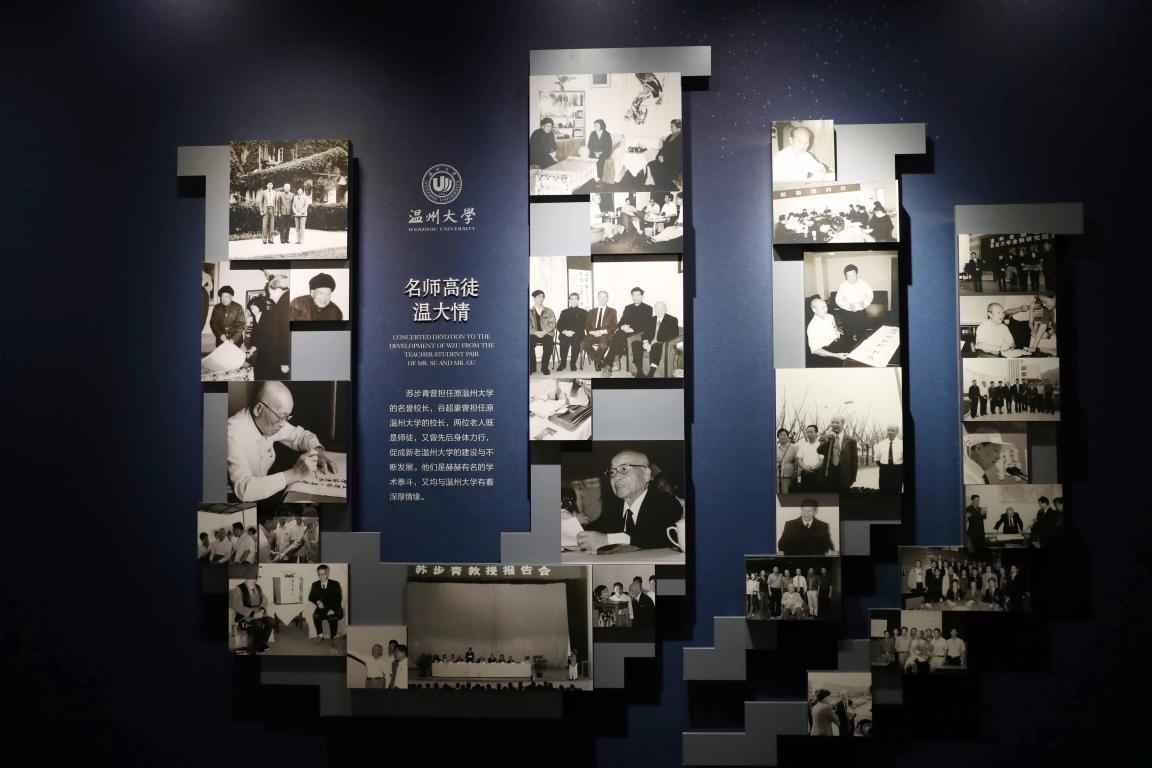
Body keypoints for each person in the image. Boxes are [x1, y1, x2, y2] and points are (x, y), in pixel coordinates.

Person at [226, 381, 336, 502]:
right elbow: (244, 490)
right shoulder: (232, 432)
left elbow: (301, 436)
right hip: (232, 500)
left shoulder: (269, 421)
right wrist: (295, 473)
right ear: (259, 409)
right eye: (281, 417)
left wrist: (317, 451)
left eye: (287, 418)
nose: (283, 424)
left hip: (263, 493)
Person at [576, 450, 684, 552]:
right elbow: (598, 528)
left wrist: (610, 539)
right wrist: (576, 529)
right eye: (612, 472)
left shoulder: (665, 502)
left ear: (646, 474)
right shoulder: (613, 506)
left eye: (623, 469)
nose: (616, 477)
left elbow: (662, 537)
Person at [249, 271, 291, 379]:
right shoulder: (283, 302)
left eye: (271, 293)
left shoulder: (284, 305)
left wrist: (285, 361)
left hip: (280, 358)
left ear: (278, 290)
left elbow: (285, 335)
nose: (270, 297)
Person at [604, 287, 652, 375]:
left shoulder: (648, 308)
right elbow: (621, 322)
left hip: (637, 333)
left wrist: (632, 329)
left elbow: (647, 325)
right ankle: (612, 362)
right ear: (631, 296)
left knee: (618, 337)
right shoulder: (628, 308)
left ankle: (611, 362)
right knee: (619, 334)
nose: (635, 297)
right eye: (633, 295)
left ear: (642, 296)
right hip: (625, 332)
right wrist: (622, 327)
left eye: (638, 295)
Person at [632, 300, 678, 378]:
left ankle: (650, 374)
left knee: (656, 346)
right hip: (649, 343)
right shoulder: (652, 319)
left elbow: (673, 335)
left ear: (665, 309)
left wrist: (656, 341)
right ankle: (640, 373)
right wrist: (646, 342)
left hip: (660, 344)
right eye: (657, 308)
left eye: (661, 308)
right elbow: (645, 333)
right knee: (635, 344)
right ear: (654, 310)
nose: (659, 310)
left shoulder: (672, 320)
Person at [229, 575, 273, 655]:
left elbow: (264, 600)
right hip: (245, 615)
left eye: (254, 578)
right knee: (258, 624)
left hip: (259, 613)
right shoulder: (239, 589)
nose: (253, 580)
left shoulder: (258, 587)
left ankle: (262, 642)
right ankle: (256, 645)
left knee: (271, 621)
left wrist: (262, 610)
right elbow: (237, 606)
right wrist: (253, 614)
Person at [834, 264, 874, 342]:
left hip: (861, 313)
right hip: (847, 314)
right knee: (848, 336)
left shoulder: (864, 284)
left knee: (862, 335)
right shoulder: (842, 285)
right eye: (848, 276)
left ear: (857, 274)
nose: (850, 278)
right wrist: (849, 305)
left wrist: (864, 303)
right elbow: (838, 300)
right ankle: (849, 348)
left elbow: (870, 296)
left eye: (852, 275)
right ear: (845, 276)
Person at [818, 416, 858, 491]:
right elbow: (819, 450)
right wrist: (827, 439)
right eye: (832, 422)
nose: (834, 424)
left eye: (837, 422)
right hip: (829, 474)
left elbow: (854, 461)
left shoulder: (851, 440)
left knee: (842, 497)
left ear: (843, 424)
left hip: (844, 474)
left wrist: (852, 478)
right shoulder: (827, 438)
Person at [581, 291, 618, 372]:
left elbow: (614, 325)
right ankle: (598, 359)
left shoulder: (612, 311)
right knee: (583, 343)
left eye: (604, 297)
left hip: (605, 334)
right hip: (593, 333)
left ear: (607, 298)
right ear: (598, 298)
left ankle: (597, 362)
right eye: (600, 297)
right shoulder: (591, 311)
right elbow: (587, 324)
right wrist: (591, 331)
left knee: (603, 345)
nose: (602, 299)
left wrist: (603, 331)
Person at [308, 564, 344, 645]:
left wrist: (333, 610)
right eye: (319, 574)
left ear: (327, 574)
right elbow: (310, 597)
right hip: (322, 609)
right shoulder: (315, 584)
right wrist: (317, 601)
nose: (321, 576)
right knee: (315, 616)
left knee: (332, 618)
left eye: (323, 574)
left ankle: (333, 637)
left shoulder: (335, 584)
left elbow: (338, 599)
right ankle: (320, 635)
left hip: (333, 608)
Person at [806, 297, 850, 364]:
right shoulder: (812, 326)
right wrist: (836, 355)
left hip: (839, 341)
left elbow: (834, 325)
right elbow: (815, 350)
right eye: (822, 308)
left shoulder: (830, 316)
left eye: (826, 306)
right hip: (829, 351)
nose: (825, 309)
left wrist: (836, 330)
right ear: (814, 310)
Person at [555, 292, 587, 372]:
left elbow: (584, 326)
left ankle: (573, 363)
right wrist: (565, 331)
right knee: (563, 342)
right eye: (572, 299)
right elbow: (559, 325)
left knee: (576, 341)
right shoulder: (564, 312)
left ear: (578, 300)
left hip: (577, 334)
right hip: (565, 333)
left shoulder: (584, 312)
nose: (573, 301)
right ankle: (563, 363)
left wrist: (573, 332)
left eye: (575, 299)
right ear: (569, 300)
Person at [528, 290, 557, 375]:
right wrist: (535, 332)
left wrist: (544, 331)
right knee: (528, 344)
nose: (541, 299)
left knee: (549, 345)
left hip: (546, 333)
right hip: (534, 334)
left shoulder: (549, 311)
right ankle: (532, 367)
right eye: (539, 297)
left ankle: (544, 367)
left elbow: (553, 324)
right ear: (534, 298)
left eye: (542, 297)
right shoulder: (528, 311)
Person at [648, 119, 683, 188]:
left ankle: (667, 185)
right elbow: (663, 148)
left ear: (678, 128)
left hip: (675, 162)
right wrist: (659, 156)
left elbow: (677, 154)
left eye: (672, 127)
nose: (670, 129)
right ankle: (661, 185)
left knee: (658, 166)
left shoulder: (681, 138)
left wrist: (665, 158)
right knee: (651, 164)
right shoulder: (670, 136)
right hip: (665, 160)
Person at [794, 424, 824, 490]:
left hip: (818, 473)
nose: (809, 434)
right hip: (805, 473)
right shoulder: (803, 445)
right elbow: (799, 459)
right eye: (807, 432)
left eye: (811, 432)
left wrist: (814, 468)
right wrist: (805, 468)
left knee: (817, 492)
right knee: (805, 492)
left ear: (816, 433)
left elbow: (822, 460)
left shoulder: (821, 445)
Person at [876, 424, 904, 493]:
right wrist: (885, 466)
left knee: (896, 491)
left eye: (892, 430)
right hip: (884, 471)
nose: (890, 432)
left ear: (897, 432)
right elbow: (877, 459)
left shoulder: (902, 444)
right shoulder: (881, 444)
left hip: (898, 470)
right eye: (888, 430)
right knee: (883, 490)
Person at [776, 429, 800, 495]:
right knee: (778, 493)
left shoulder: (794, 447)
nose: (782, 437)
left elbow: (796, 460)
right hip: (777, 474)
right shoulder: (775, 447)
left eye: (784, 435)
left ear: (787, 436)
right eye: (780, 435)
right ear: (778, 437)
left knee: (786, 493)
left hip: (789, 474)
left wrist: (796, 472)